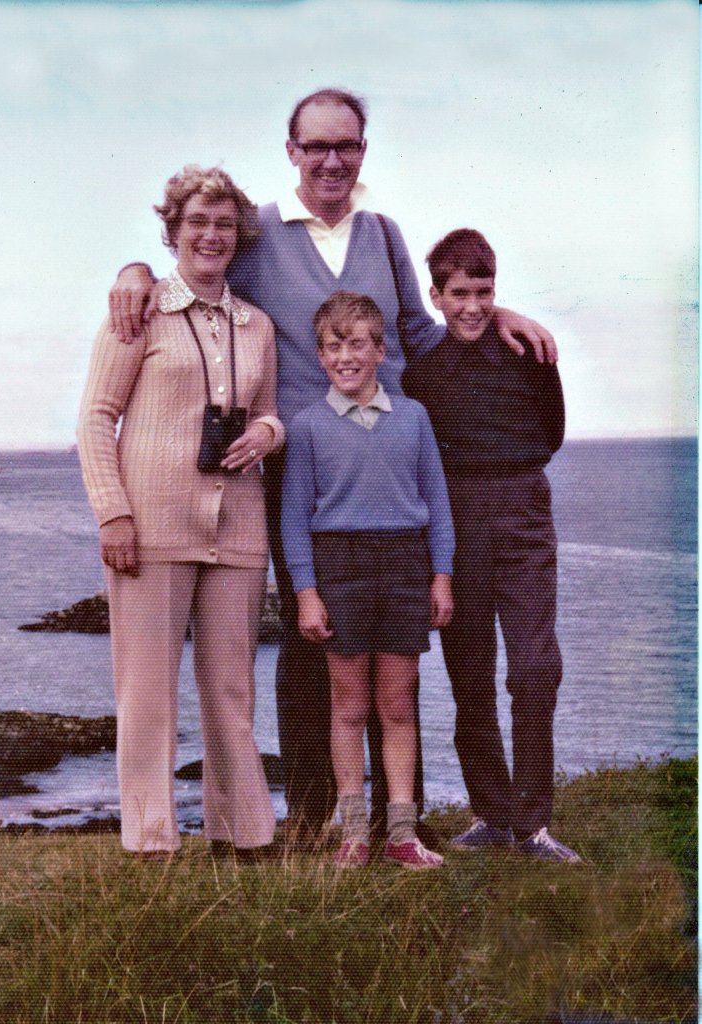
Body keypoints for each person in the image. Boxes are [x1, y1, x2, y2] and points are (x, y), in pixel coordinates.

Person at [106, 88, 558, 847]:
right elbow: (194, 268)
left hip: (389, 474)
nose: (331, 160)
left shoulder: (382, 234)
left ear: (362, 152)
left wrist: (497, 311)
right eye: (315, 146)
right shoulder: (256, 234)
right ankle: (315, 815)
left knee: (388, 651)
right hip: (295, 471)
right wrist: (130, 269)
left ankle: (389, 820)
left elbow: (419, 327)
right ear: (291, 153)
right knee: (311, 642)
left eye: (345, 145)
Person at [77, 165, 283, 859]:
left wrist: (270, 434)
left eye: (224, 224)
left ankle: (244, 835)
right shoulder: (136, 313)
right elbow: (95, 420)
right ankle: (151, 843)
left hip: (239, 527)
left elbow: (267, 413)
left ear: (239, 236)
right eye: (197, 222)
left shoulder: (258, 326)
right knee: (147, 694)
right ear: (171, 232)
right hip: (151, 526)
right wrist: (113, 516)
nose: (211, 235)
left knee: (231, 689)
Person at [402, 228, 581, 863]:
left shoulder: (530, 354)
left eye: (484, 292)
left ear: (495, 291)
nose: (473, 306)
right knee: (470, 676)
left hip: (525, 515)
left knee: (536, 667)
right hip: (453, 525)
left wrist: (507, 474)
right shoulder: (420, 372)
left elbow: (551, 434)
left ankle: (534, 825)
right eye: (459, 294)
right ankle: (491, 813)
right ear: (436, 296)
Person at [281, 292, 455, 868]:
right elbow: (294, 519)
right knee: (349, 706)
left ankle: (401, 833)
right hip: (340, 569)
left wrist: (441, 576)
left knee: (398, 704)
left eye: (358, 344)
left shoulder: (414, 417)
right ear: (321, 356)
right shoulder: (306, 426)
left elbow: (438, 503)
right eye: (334, 346)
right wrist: (306, 593)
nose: (346, 357)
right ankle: (354, 833)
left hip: (405, 565)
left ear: (381, 350)